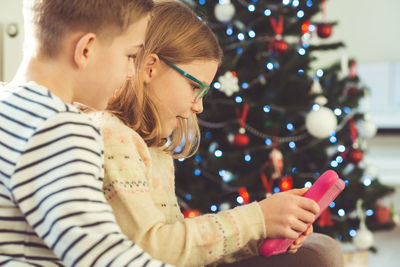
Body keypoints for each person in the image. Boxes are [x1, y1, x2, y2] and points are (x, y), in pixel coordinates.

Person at [89, 1, 344, 266]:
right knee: (318, 257)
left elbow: (182, 249)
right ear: (150, 67)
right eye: (193, 87)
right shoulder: (114, 138)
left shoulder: (155, 149)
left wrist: (264, 233)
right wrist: (258, 218)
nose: (198, 106)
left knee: (322, 249)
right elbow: (151, 247)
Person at [0, 0, 173, 266]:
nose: (130, 73)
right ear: (86, 49)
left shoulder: (8, 104)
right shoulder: (60, 128)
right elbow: (98, 252)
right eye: (130, 56)